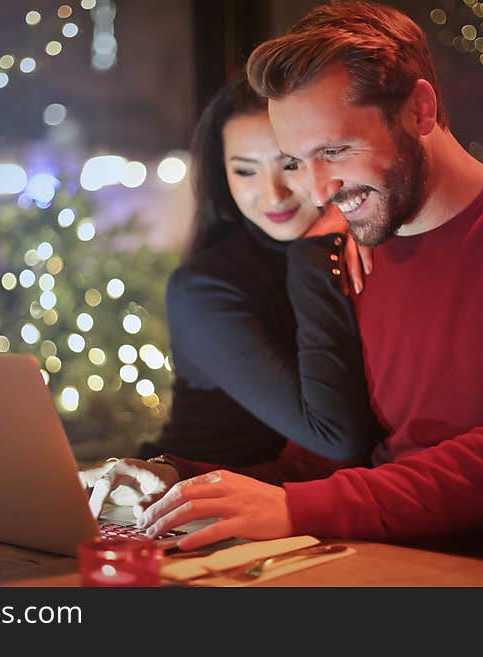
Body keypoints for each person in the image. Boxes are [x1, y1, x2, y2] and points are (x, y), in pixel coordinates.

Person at [87, 1, 483, 582]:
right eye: (299, 161)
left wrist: (292, 507)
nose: (318, 189)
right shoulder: (359, 249)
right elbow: (338, 461)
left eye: (334, 150)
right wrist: (185, 481)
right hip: (394, 560)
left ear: (421, 110)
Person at [81, 75, 383, 514]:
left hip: (282, 507)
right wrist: (316, 248)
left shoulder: (358, 249)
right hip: (178, 503)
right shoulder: (205, 287)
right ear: (222, 177)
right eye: (245, 170)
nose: (272, 193)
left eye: (289, 164)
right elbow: (336, 438)